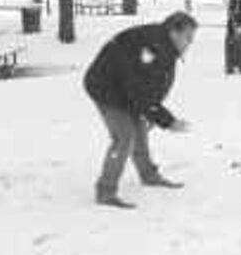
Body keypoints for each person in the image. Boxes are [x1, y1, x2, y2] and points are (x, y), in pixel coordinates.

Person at [83, 11, 198, 209]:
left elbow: (151, 86)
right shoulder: (152, 48)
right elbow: (140, 91)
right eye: (188, 37)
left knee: (139, 128)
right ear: (174, 32)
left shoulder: (164, 46)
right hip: (105, 88)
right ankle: (105, 191)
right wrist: (167, 120)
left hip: (125, 88)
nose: (190, 42)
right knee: (124, 136)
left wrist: (151, 112)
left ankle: (149, 175)